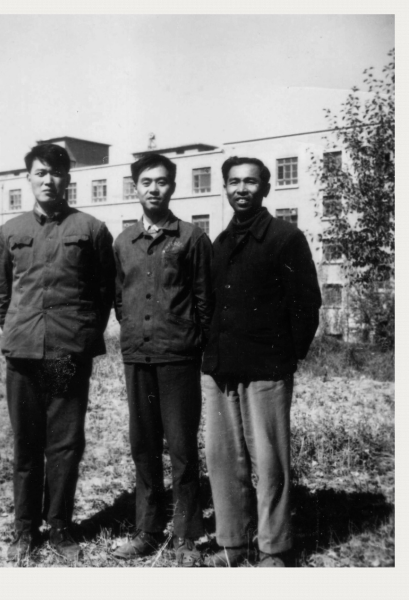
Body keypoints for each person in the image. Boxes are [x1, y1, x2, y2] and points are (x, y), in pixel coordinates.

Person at [0, 143, 115, 561]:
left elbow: (103, 293)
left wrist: (81, 335)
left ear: (68, 179)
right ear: (28, 177)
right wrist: (17, 330)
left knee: (63, 443)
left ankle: (60, 527)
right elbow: (2, 293)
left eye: (56, 173)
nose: (48, 180)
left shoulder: (91, 229)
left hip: (65, 354)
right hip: (24, 354)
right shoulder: (10, 231)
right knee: (27, 444)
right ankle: (25, 530)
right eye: (41, 172)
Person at [202, 156, 321, 567]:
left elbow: (307, 304)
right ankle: (233, 544)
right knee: (223, 460)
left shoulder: (286, 238)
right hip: (220, 369)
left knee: (270, 463)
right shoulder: (219, 242)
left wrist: (284, 356)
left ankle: (274, 547)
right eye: (234, 181)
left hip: (266, 368)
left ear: (265, 188)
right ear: (225, 187)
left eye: (251, 182)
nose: (242, 189)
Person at [112, 153, 213, 566]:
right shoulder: (123, 242)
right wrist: (138, 332)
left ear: (173, 186)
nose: (154, 189)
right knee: (144, 446)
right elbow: (120, 300)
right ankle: (148, 530)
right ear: (135, 188)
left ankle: (187, 535)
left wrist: (188, 340)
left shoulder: (192, 238)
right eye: (146, 182)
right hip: (138, 357)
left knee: (182, 447)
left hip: (178, 358)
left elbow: (205, 300)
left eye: (162, 181)